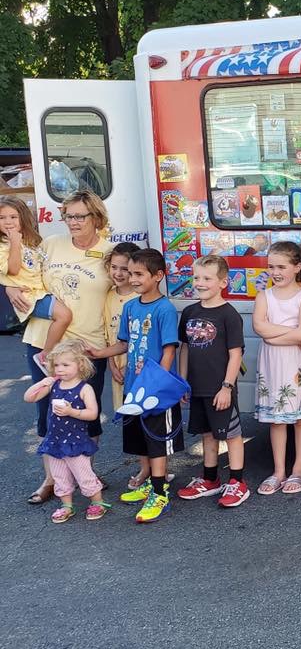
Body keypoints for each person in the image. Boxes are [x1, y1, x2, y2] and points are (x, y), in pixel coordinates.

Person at [8, 190, 114, 505]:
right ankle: (52, 480)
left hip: (88, 345)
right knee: (47, 411)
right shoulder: (51, 244)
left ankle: (86, 475)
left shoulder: (110, 253)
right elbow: (22, 269)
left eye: (80, 216)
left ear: (97, 217)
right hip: (44, 344)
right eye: (68, 216)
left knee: (86, 413)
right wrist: (10, 284)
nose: (73, 222)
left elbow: (123, 295)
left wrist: (118, 351)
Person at [87, 248, 182, 523]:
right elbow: (123, 344)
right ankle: (149, 484)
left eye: (139, 274)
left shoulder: (164, 308)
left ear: (158, 275)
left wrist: (158, 384)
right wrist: (98, 353)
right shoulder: (130, 307)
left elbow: (169, 350)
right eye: (131, 273)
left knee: (157, 443)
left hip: (155, 392)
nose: (134, 278)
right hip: (133, 388)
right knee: (141, 441)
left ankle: (159, 492)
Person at [176, 256, 247, 508]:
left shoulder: (229, 315)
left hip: (220, 389)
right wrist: (182, 381)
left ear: (223, 282)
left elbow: (235, 353)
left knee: (231, 434)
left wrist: (227, 386)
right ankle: (210, 479)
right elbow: (184, 348)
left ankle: (238, 482)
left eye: (207, 278)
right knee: (207, 434)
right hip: (196, 387)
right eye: (196, 277)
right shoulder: (189, 312)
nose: (200, 283)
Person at [253, 241, 301, 496]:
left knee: (300, 417)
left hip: (295, 362)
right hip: (272, 361)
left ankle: (299, 469)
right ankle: (279, 470)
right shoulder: (264, 296)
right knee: (276, 419)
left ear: (297, 267)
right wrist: (292, 333)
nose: (275, 272)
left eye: (281, 267)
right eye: (271, 267)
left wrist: (275, 335)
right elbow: (259, 327)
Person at [24, 340, 108, 523]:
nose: (60, 369)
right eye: (56, 365)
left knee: (84, 475)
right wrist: (42, 383)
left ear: (80, 364)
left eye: (65, 365)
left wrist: (72, 412)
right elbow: (29, 397)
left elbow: (93, 413)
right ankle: (66, 505)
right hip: (55, 441)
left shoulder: (84, 388)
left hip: (75, 442)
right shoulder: (54, 385)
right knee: (60, 476)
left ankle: (98, 502)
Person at [0, 196, 73, 362]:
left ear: (23, 218)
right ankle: (45, 354)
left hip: (41, 292)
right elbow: (13, 269)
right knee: (64, 316)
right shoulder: (4, 244)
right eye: (2, 218)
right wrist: (15, 244)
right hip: (29, 296)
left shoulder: (30, 241)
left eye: (13, 217)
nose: (8, 221)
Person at [102, 243, 144, 487]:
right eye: (114, 267)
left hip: (139, 369)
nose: (118, 273)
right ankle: (143, 467)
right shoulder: (108, 295)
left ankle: (157, 469)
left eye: (125, 269)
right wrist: (112, 365)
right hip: (118, 369)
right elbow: (109, 335)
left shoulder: (138, 297)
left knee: (147, 419)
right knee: (131, 422)